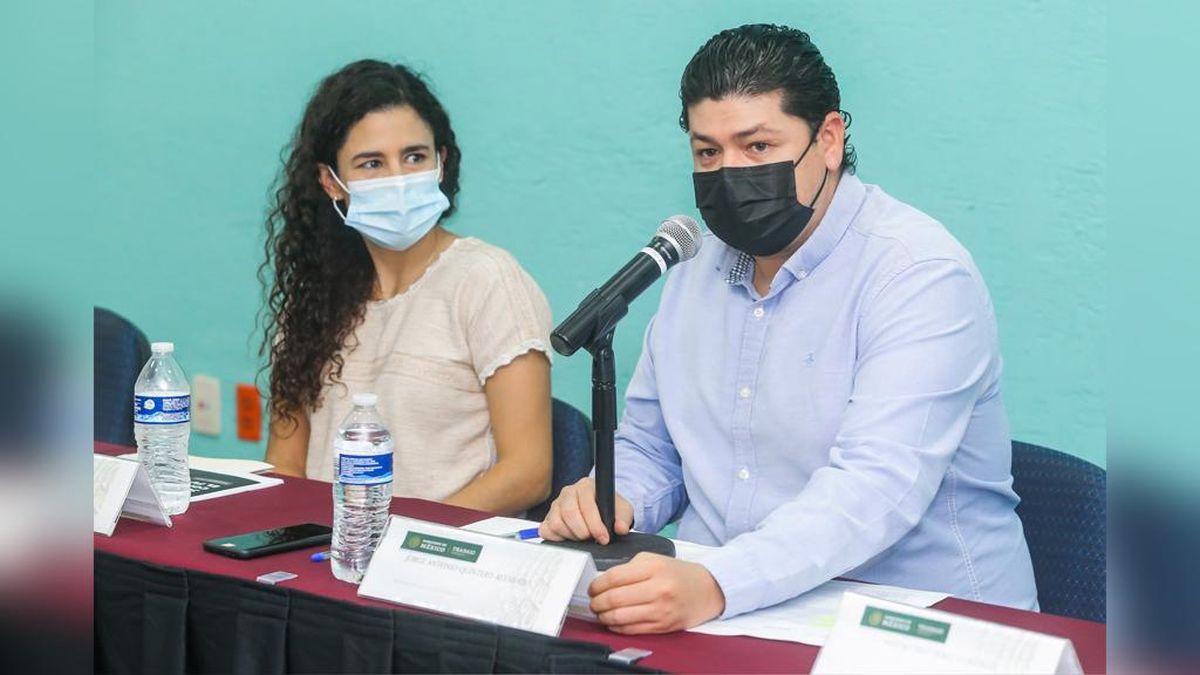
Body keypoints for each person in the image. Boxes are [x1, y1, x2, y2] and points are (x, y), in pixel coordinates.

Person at [539, 24, 1037, 633]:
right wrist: (614, 496)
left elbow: (876, 485)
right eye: (707, 153)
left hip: (915, 623)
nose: (730, 174)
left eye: (757, 146)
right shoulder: (694, 268)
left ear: (828, 139)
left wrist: (720, 583)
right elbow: (653, 447)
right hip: (729, 614)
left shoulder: (918, 273)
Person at [260, 60, 552, 515]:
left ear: (441, 162)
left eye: (415, 157)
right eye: (372, 163)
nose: (398, 178)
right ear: (331, 182)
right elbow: (285, 466)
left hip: (439, 549)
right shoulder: (313, 298)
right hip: (324, 547)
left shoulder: (486, 279)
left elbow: (528, 472)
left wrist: (405, 539)